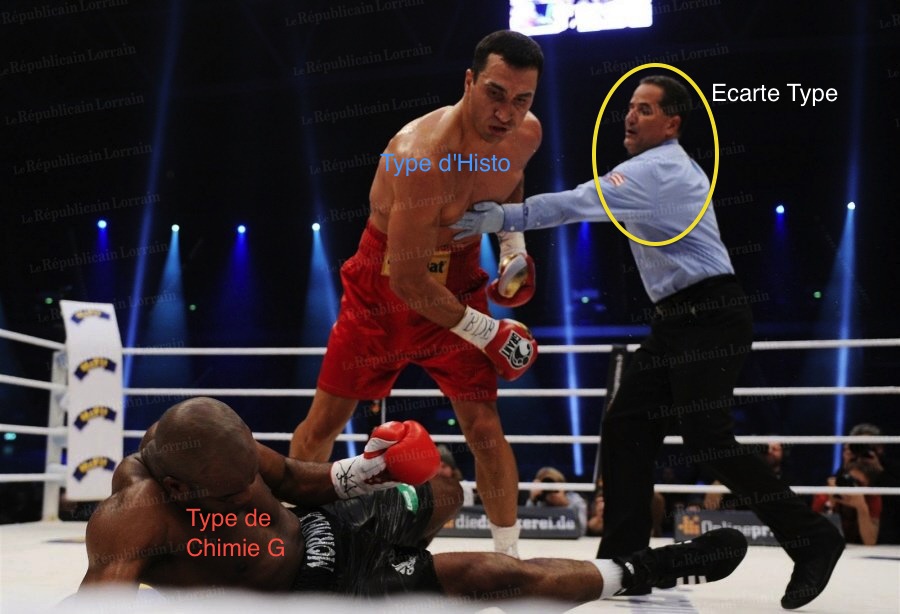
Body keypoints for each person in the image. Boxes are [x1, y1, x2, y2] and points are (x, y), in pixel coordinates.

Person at [452, 74, 844, 609]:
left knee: (707, 436)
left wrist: (505, 218)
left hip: (710, 314)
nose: (630, 117)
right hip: (678, 318)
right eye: (630, 107)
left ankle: (812, 537)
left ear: (672, 123)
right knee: (626, 426)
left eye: (644, 109)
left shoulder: (655, 170)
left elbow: (575, 203)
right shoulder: (657, 168)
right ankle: (625, 561)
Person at [76, 397, 748, 603]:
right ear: (177, 489)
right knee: (492, 573)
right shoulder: (136, 515)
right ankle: (646, 569)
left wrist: (365, 469)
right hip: (324, 590)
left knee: (441, 485)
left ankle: (405, 550)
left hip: (323, 527)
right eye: (229, 496)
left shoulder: (221, 443)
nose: (243, 495)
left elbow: (299, 484)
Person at [290, 29, 544, 558]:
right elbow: (408, 281)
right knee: (324, 424)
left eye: (521, 100)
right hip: (385, 288)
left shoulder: (525, 134)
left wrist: (512, 247)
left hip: (459, 276)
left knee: (484, 427)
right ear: (469, 82)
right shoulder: (422, 157)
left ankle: (509, 559)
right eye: (495, 94)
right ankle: (296, 544)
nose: (506, 113)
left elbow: (511, 182)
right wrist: (489, 332)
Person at [525, 466, 589, 535]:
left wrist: (564, 504)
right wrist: (532, 499)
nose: (550, 490)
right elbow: (526, 527)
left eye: (552, 484)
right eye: (546, 485)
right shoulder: (539, 503)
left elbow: (582, 531)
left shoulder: (576, 501)